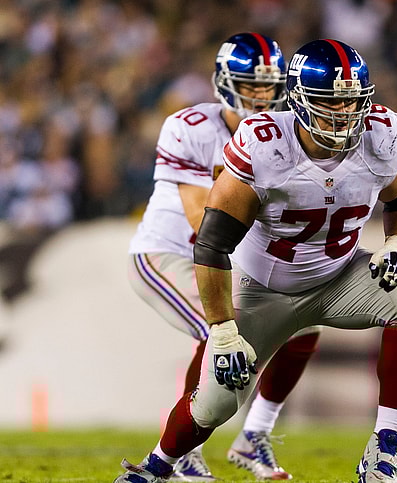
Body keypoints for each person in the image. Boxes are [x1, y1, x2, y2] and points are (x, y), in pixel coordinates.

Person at [114, 38, 397, 483]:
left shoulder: (381, 134)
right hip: (261, 285)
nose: (343, 115)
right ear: (300, 102)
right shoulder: (263, 142)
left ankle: (383, 449)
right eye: (330, 103)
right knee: (218, 398)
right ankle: (158, 466)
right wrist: (223, 329)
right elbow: (211, 241)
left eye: (351, 103)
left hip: (338, 276)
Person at [126, 32, 321, 480]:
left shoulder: (290, 132)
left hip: (235, 257)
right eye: (250, 84)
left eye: (268, 84)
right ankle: (181, 450)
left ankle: (256, 434)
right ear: (224, 82)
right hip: (169, 254)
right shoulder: (190, 127)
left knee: (305, 320)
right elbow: (202, 223)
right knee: (221, 328)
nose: (260, 94)